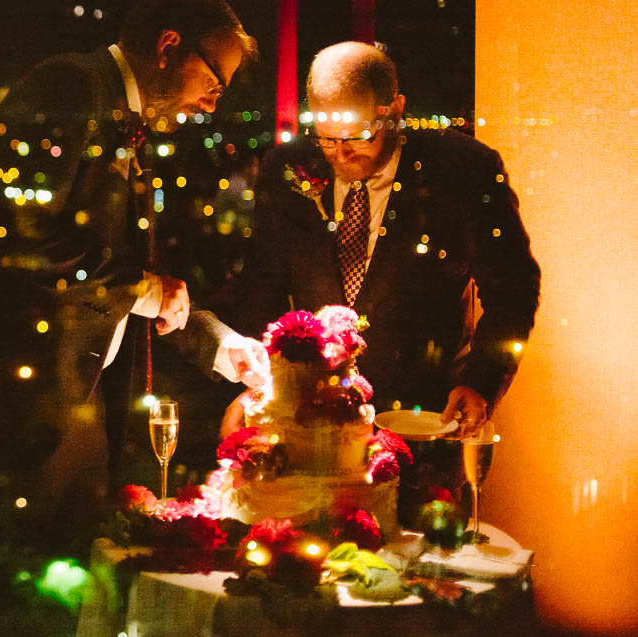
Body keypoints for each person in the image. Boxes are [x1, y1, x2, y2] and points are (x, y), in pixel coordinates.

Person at [0, 0, 268, 509]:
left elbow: (138, 274)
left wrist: (221, 346)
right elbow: (22, 234)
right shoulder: (67, 85)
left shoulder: (131, 119)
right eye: (214, 81)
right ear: (168, 46)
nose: (210, 103)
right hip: (16, 392)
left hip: (73, 396)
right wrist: (149, 290)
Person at [226, 42, 540, 440]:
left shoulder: (464, 171)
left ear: (394, 110)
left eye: (358, 135)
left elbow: (514, 289)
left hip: (426, 419)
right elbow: (262, 289)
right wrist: (258, 388)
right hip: (311, 422)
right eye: (325, 137)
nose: (339, 153)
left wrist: (480, 383)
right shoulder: (286, 169)